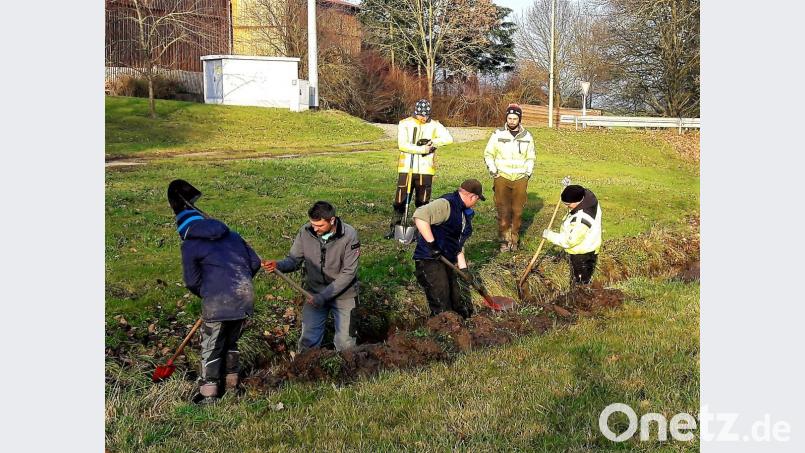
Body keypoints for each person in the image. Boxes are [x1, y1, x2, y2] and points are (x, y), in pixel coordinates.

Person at [168, 179, 262, 404]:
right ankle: (232, 385)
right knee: (231, 343)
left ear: (184, 229)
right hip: (244, 295)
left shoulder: (190, 244)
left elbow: (191, 281)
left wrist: (209, 293)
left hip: (218, 301)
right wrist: (240, 282)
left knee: (211, 347)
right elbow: (256, 262)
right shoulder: (233, 235)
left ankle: (209, 395)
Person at [262, 201, 360, 352]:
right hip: (313, 292)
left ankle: (346, 373)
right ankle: (306, 373)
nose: (315, 228)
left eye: (320, 226)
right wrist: (278, 265)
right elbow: (294, 260)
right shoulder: (306, 231)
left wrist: (323, 296)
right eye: (313, 224)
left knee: (345, 344)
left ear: (332, 220)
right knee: (308, 341)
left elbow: (348, 273)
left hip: (344, 294)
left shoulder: (349, 235)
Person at [411, 179, 485, 318]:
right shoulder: (447, 204)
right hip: (429, 259)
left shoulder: (464, 213)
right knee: (442, 303)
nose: (476, 204)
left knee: (457, 301)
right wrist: (432, 245)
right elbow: (420, 216)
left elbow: (458, 243)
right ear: (472, 196)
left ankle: (460, 328)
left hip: (446, 260)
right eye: (477, 200)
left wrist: (464, 270)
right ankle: (443, 335)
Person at [385, 98, 454, 239]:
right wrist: (422, 149)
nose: (423, 118)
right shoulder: (405, 124)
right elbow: (402, 145)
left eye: (426, 115)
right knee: (401, 199)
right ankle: (395, 226)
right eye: (421, 115)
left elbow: (448, 138)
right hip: (407, 167)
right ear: (415, 113)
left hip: (425, 169)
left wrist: (433, 142)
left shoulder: (435, 125)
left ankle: (419, 230)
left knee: (422, 201)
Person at [483, 103, 536, 252]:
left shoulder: (527, 136)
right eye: (509, 118)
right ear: (506, 118)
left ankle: (514, 239)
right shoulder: (498, 134)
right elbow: (488, 154)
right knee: (503, 210)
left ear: (519, 119)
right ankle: (504, 241)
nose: (512, 121)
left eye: (515, 118)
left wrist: (527, 173)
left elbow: (531, 156)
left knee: (518, 211)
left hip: (520, 178)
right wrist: (494, 171)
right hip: (502, 177)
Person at [542, 184, 603, 285]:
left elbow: (569, 241)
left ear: (577, 201)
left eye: (568, 205)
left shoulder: (581, 220)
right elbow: (575, 191)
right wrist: (566, 189)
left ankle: (581, 297)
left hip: (582, 253)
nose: (567, 207)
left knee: (580, 283)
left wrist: (550, 236)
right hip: (589, 244)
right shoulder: (587, 196)